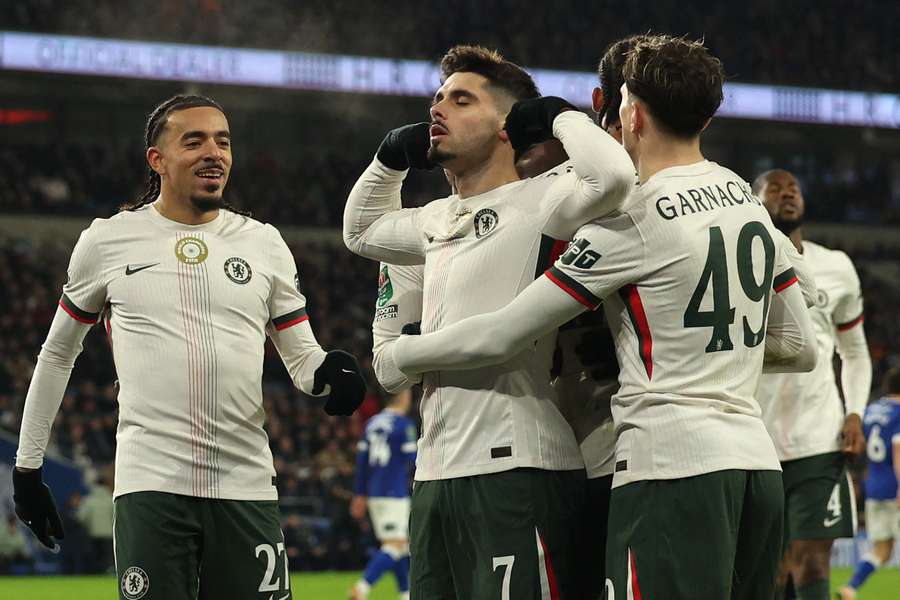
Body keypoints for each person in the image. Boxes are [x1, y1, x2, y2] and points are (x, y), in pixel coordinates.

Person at [388, 35, 819, 599]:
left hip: (663, 464)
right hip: (756, 466)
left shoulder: (626, 216)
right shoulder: (744, 197)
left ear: (629, 113)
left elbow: (503, 333)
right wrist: (699, 344)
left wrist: (401, 353)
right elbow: (801, 347)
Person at [12, 94, 366, 600]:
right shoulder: (107, 241)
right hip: (152, 487)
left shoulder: (264, 243)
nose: (213, 153)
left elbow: (302, 357)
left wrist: (329, 373)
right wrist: (27, 468)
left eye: (223, 141)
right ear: (157, 159)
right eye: (194, 141)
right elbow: (56, 354)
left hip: (246, 487)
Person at [343, 45, 634, 599]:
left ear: (508, 126)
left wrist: (558, 115)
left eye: (461, 100)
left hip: (520, 466)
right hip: (434, 475)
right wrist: (389, 157)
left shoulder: (545, 196)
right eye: (437, 98)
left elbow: (614, 176)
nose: (437, 108)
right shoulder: (432, 220)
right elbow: (359, 232)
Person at [753, 169, 872, 600]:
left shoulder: (836, 267)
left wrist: (855, 412)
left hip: (820, 439)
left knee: (812, 561)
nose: (787, 194)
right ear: (753, 199)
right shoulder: (738, 263)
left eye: (794, 188)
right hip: (755, 439)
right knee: (767, 568)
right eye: (774, 188)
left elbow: (854, 352)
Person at [839, 365, 900, 599]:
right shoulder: (899, 412)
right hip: (895, 487)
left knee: (883, 549)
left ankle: (851, 587)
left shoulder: (871, 410)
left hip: (874, 487)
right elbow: (898, 449)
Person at [349, 389, 417, 600]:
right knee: (395, 545)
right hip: (394, 491)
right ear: (405, 397)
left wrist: (359, 493)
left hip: (375, 492)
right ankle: (362, 587)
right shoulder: (403, 425)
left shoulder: (371, 424)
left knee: (400, 544)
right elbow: (414, 460)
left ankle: (405, 593)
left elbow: (362, 462)